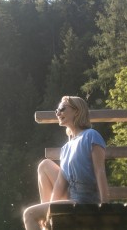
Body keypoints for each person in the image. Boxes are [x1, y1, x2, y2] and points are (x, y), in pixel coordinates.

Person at [22, 96, 109, 230]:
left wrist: (105, 205)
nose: (58, 113)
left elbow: (100, 171)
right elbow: (60, 184)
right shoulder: (66, 148)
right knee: (44, 165)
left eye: (62, 109)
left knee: (29, 214)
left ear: (76, 111)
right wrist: (49, 215)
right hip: (72, 200)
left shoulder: (91, 136)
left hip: (86, 202)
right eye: (57, 110)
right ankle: (49, 226)